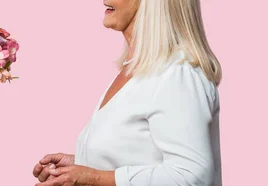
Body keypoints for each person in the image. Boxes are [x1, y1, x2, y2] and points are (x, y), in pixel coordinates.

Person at [32, 0, 222, 185]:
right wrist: (81, 166)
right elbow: (140, 156)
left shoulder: (177, 74)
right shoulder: (138, 72)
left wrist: (93, 178)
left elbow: (191, 176)